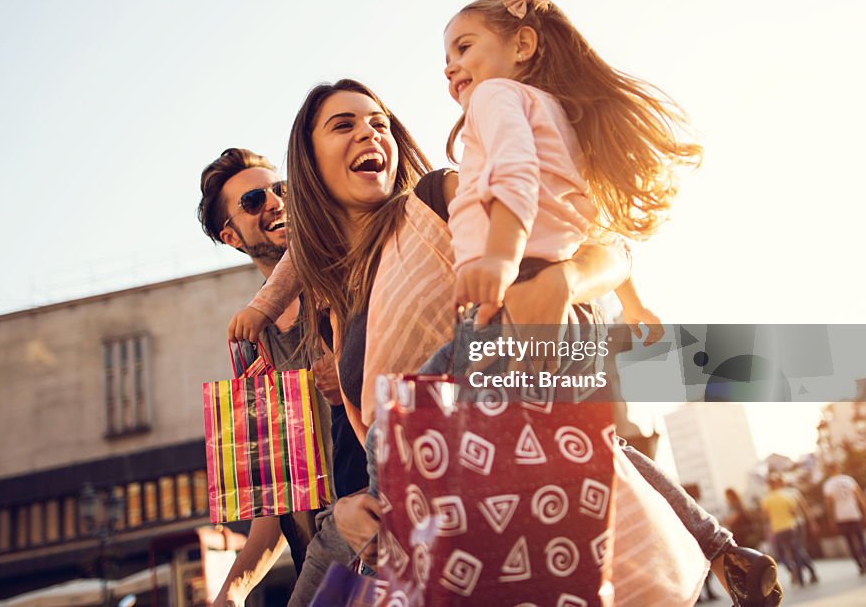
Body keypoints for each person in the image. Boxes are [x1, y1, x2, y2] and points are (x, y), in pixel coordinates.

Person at [232, 74, 779, 605]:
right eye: (343, 125)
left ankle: (718, 549)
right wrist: (354, 515)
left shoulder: (437, 198)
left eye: (380, 123)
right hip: (447, 545)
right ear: (310, 162)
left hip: (538, 513)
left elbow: (606, 245)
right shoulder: (337, 305)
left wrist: (563, 283)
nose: (370, 134)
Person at [197, 148, 357, 607]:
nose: (274, 201)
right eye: (252, 200)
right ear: (231, 235)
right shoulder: (250, 347)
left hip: (381, 530)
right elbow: (275, 503)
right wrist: (234, 590)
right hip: (324, 559)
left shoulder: (345, 283)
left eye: (280, 189)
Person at [762, 473, 819, 587]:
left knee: (791, 551)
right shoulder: (784, 495)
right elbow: (795, 511)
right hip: (792, 525)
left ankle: (801, 574)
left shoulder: (785, 494)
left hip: (786, 527)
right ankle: (801, 573)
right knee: (796, 550)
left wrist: (811, 522)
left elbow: (765, 517)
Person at [823, 461, 866, 574]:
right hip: (854, 513)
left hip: (841, 517)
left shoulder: (828, 484)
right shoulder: (848, 480)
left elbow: (829, 504)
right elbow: (859, 496)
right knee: (860, 539)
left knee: (850, 542)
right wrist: (864, 510)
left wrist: (831, 519)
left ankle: (860, 564)